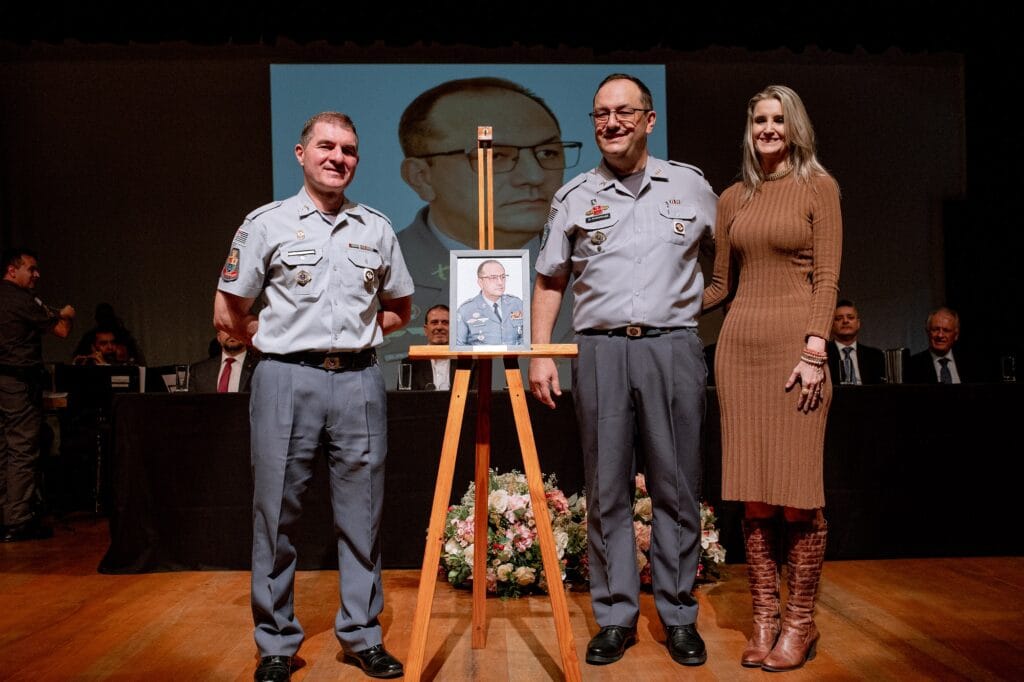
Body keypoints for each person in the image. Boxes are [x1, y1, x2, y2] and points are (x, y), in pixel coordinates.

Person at [213, 111, 413, 682]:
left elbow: (401, 308)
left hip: (358, 382)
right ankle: (276, 643)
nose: (337, 157)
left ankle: (363, 634)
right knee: (275, 515)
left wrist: (360, 335)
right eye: (326, 146)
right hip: (285, 379)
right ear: (301, 154)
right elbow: (227, 310)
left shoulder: (376, 228)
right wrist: (276, 339)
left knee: (363, 516)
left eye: (348, 150)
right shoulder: (266, 224)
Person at [529, 73, 717, 668]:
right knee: (606, 487)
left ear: (649, 120)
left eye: (624, 112)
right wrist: (540, 351)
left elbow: (728, 264)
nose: (611, 123)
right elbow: (550, 279)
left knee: (676, 486)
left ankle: (678, 614)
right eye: (601, 114)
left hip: (672, 349)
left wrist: (689, 307)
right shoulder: (573, 196)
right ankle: (614, 615)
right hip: (601, 350)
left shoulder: (691, 187)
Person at [703, 85, 842, 671]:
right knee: (756, 494)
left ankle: (799, 623)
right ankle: (764, 619)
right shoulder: (733, 197)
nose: (767, 128)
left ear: (795, 127)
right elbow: (719, 285)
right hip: (739, 352)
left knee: (797, 497)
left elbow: (827, 277)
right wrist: (650, 303)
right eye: (759, 119)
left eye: (778, 119)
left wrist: (815, 350)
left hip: (795, 352)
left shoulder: (819, 187)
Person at [382, 77, 578, 382]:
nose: (534, 176)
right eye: (496, 156)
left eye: (547, 153)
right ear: (421, 177)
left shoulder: (588, 266)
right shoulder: (388, 270)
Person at [0, 248, 75, 542]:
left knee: (2, 450)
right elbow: (61, 330)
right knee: (21, 449)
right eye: (31, 269)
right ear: (12, 270)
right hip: (17, 384)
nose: (37, 275)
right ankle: (17, 520)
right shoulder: (22, 300)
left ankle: (4, 514)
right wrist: (67, 314)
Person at [455, 260, 524, 346]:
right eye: (493, 278)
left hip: (515, 355)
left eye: (503, 277)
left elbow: (526, 340)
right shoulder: (466, 310)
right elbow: (459, 347)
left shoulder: (516, 304)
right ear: (480, 282)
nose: (500, 282)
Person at [826, 299, 885, 385]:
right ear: (831, 325)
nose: (845, 321)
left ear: (858, 323)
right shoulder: (823, 354)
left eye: (850, 317)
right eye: (839, 318)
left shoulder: (875, 355)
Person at [905, 306, 968, 383]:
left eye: (946, 330)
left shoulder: (970, 363)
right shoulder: (912, 366)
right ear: (928, 332)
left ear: (956, 335)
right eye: (935, 329)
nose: (940, 335)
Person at [398, 304, 451, 390]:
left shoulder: (467, 362)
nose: (439, 327)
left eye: (445, 323)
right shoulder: (409, 364)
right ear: (426, 330)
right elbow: (404, 397)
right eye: (434, 322)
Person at [189, 330, 259, 393]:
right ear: (219, 337)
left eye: (236, 328)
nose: (232, 334)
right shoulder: (198, 371)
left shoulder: (259, 367)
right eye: (226, 329)